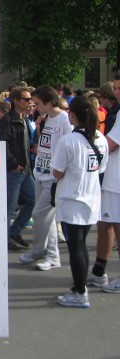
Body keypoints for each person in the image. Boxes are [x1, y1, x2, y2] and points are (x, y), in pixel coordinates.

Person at [51, 96, 109, 307]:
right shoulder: (101, 139)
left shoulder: (68, 141)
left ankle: (80, 292)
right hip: (91, 198)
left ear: (72, 115)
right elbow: (101, 169)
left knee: (75, 247)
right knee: (81, 245)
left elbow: (57, 172)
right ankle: (80, 286)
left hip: (72, 199)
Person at [18, 85, 72, 270]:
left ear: (49, 103)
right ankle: (43, 251)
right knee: (46, 216)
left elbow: (67, 147)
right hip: (41, 171)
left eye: (38, 103)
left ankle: (48, 253)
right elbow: (47, 142)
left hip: (54, 176)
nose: (35, 107)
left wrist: (61, 171)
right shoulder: (46, 118)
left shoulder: (64, 120)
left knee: (41, 214)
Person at [89, 72, 120, 292]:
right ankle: (99, 271)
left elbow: (110, 145)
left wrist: (82, 141)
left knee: (116, 227)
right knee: (105, 223)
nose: (117, 93)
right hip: (111, 179)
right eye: (116, 88)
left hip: (116, 181)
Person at [0, 86, 35, 251]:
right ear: (16, 101)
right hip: (15, 170)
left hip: (25, 169)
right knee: (9, 208)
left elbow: (22, 142)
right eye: (26, 99)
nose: (29, 102)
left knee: (33, 200)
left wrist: (32, 147)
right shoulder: (7, 121)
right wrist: (13, 164)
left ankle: (15, 231)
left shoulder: (24, 119)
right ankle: (5, 241)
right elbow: (2, 145)